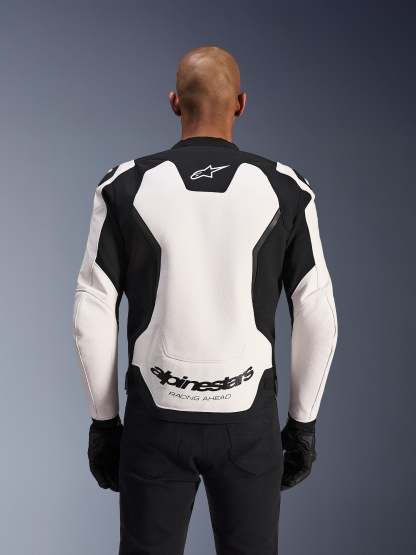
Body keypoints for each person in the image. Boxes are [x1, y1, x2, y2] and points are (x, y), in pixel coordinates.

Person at [73, 45, 338, 555]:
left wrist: (104, 423)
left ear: (175, 102)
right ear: (241, 103)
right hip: (247, 418)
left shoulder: (124, 185)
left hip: (156, 414)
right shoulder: (287, 188)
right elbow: (316, 312)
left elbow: (92, 307)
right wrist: (303, 424)